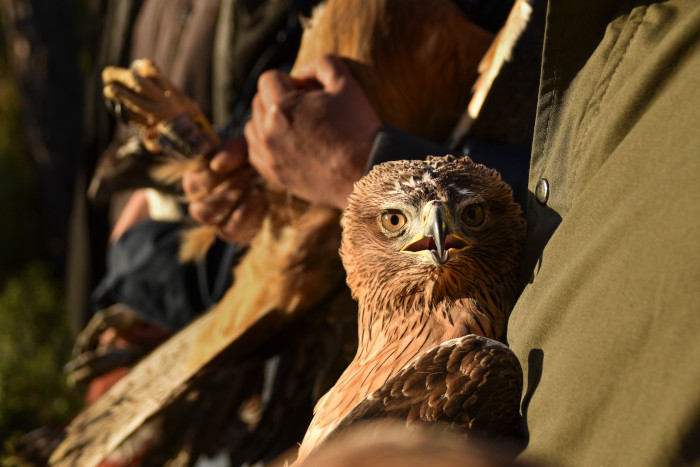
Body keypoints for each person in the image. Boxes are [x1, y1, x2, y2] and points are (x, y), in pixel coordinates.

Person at [183, 0, 700, 465]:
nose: (434, 236)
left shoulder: (471, 371)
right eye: (394, 222)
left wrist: (367, 158)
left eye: (471, 218)